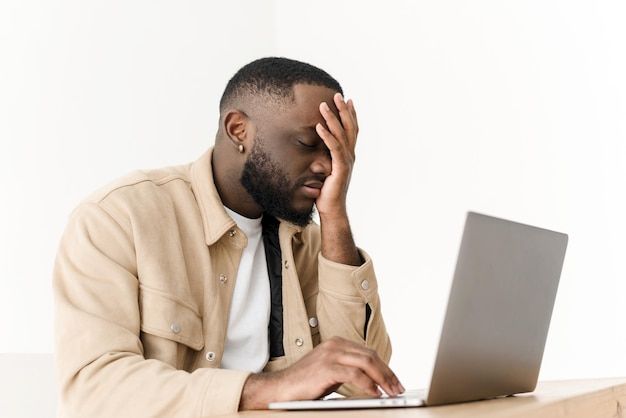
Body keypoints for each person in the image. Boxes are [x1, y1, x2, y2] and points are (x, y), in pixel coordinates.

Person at [52, 57, 404, 417]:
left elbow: (362, 381)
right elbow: (94, 389)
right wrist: (271, 389)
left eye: (335, 151)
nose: (328, 166)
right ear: (239, 130)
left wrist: (335, 217)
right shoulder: (118, 219)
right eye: (307, 143)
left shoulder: (311, 240)